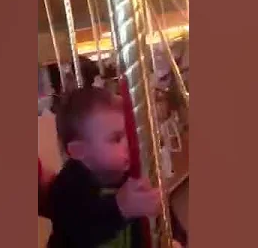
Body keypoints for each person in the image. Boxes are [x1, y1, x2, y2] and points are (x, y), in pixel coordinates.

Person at [47, 87, 186, 247]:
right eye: (116, 139)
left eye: (130, 132)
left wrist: (175, 239)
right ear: (80, 151)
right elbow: (80, 231)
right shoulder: (65, 188)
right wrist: (121, 207)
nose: (130, 144)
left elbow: (165, 218)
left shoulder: (135, 174)